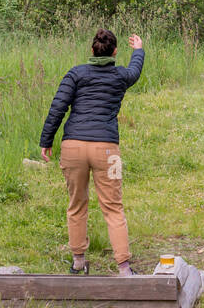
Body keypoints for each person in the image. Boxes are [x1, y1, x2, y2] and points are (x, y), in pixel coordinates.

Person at [40, 29, 144, 276]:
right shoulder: (120, 76)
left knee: (77, 204)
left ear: (92, 50)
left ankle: (78, 262)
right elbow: (135, 71)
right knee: (113, 207)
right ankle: (124, 268)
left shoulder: (76, 73)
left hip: (72, 147)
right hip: (107, 149)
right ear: (115, 52)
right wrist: (138, 50)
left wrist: (46, 139)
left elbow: (58, 107)